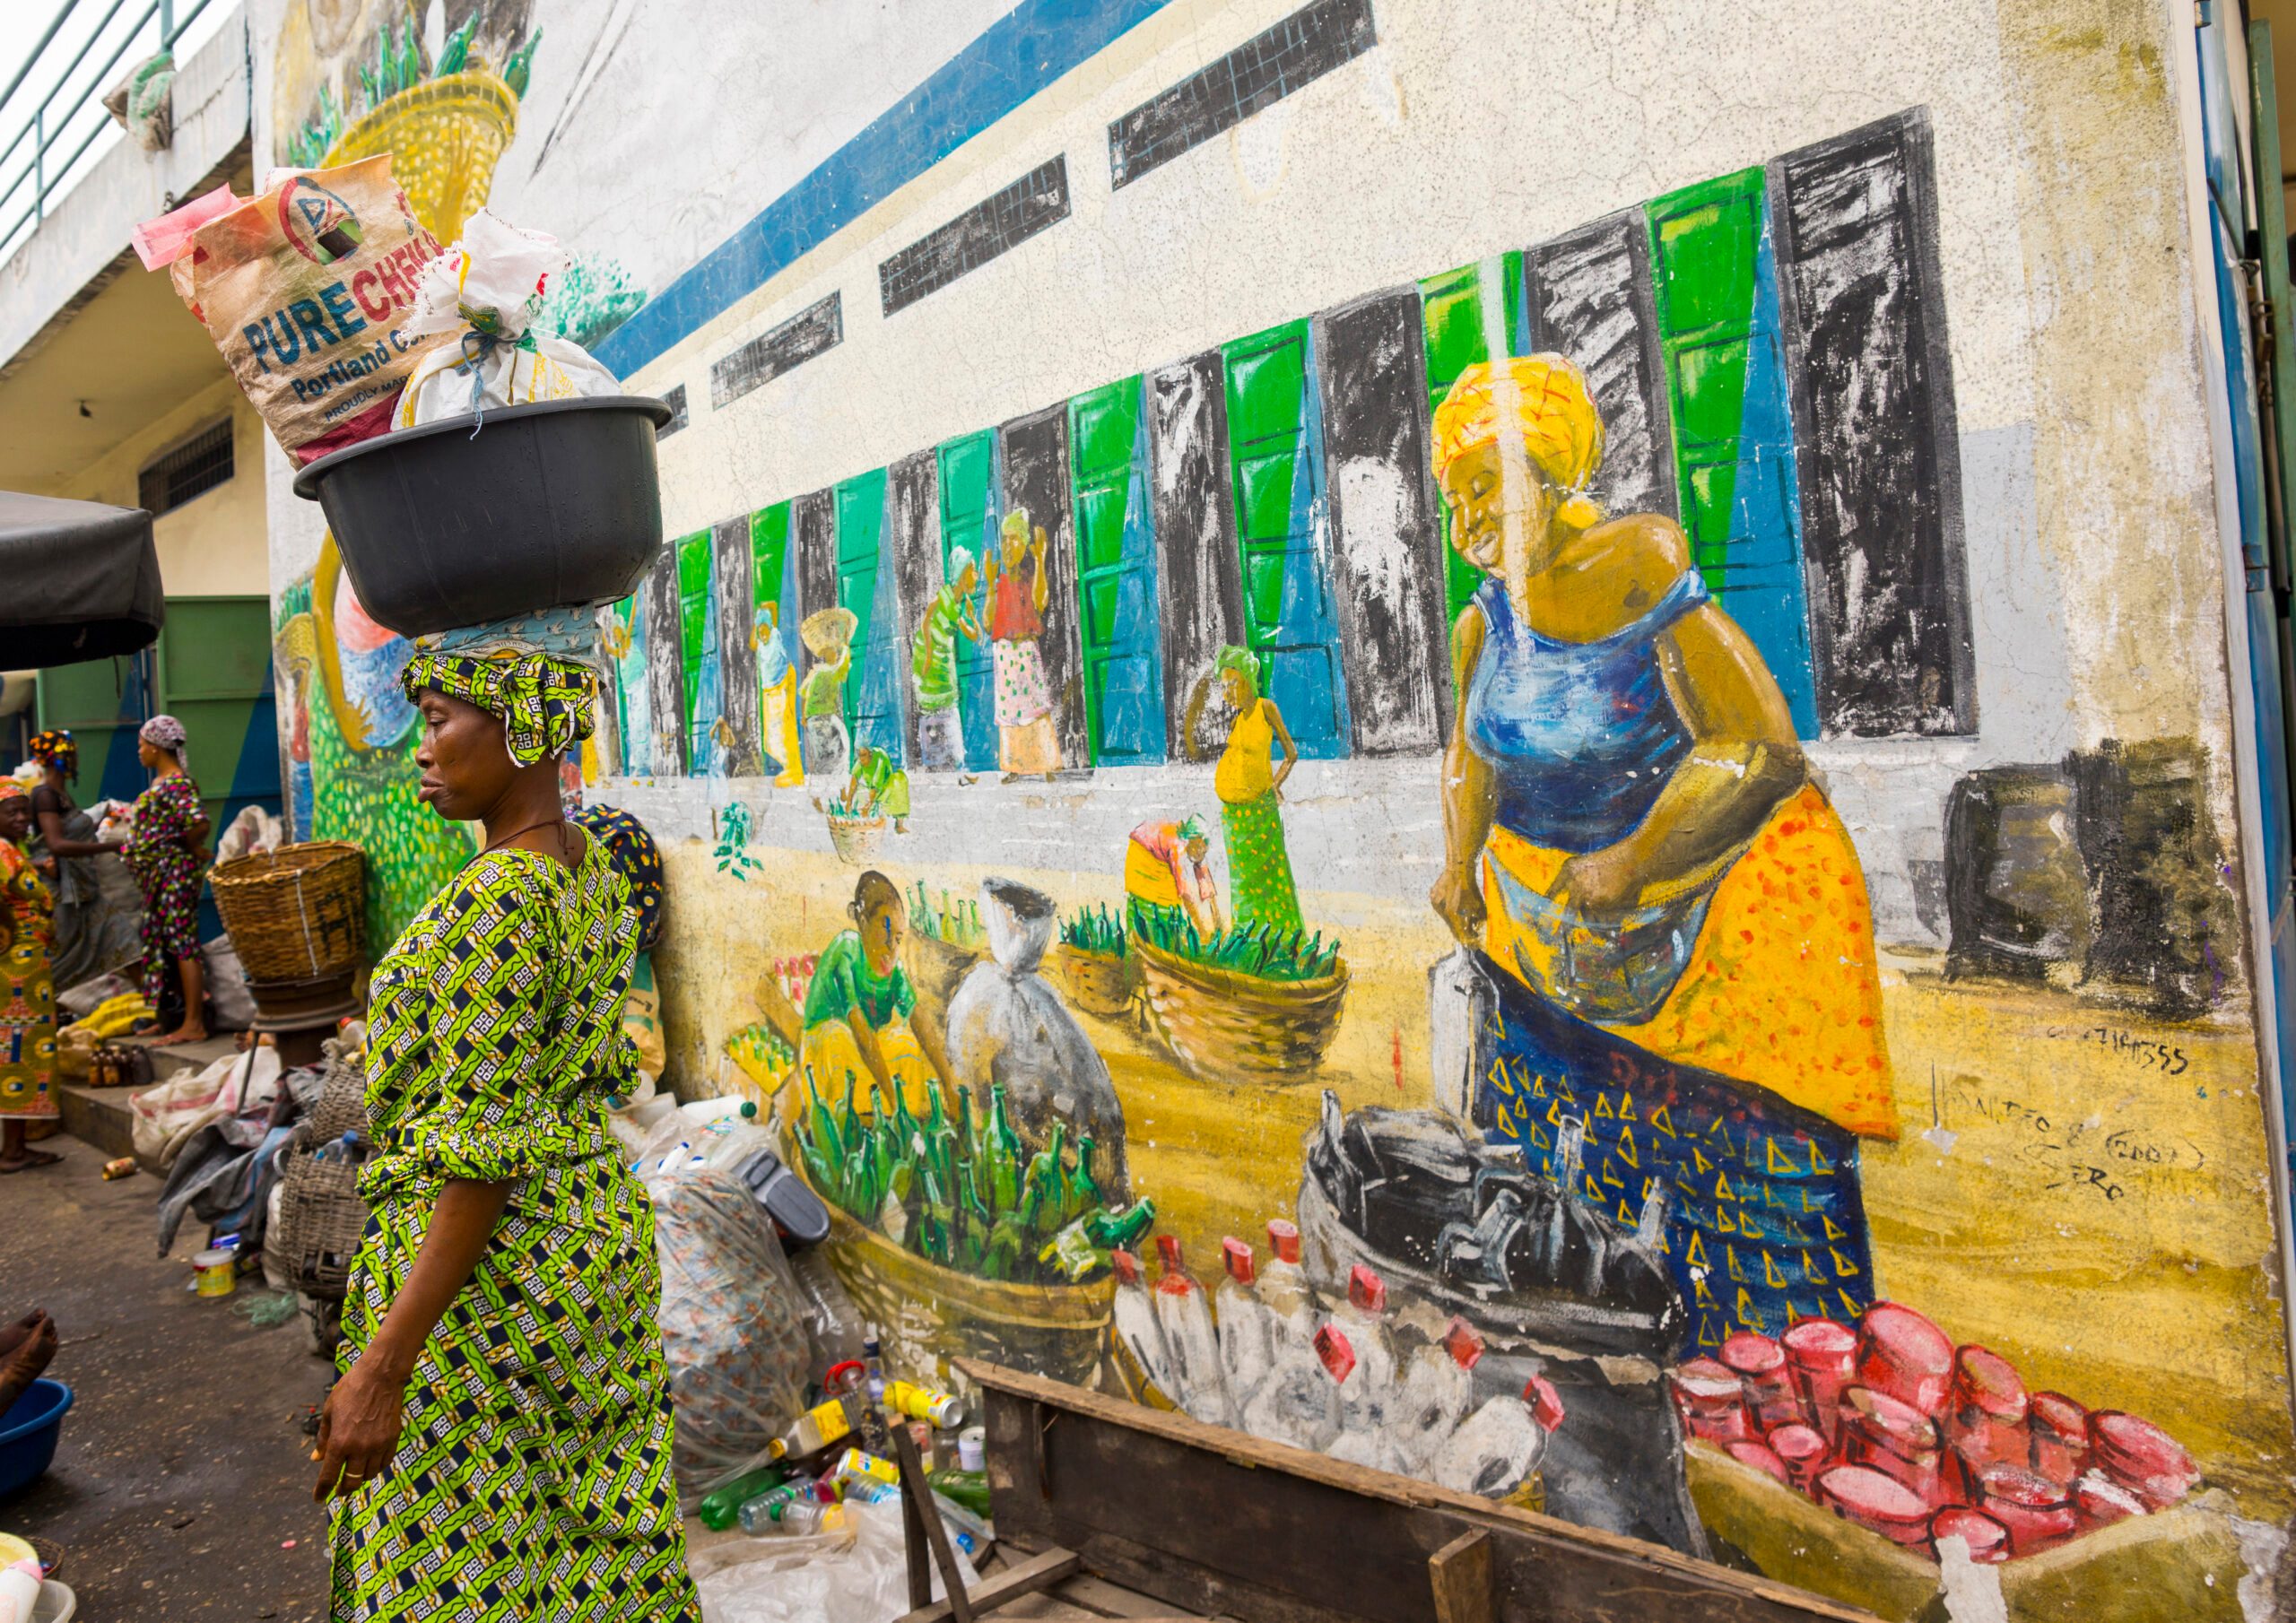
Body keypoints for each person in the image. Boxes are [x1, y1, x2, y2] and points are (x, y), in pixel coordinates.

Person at [1427, 356, 1895, 1346]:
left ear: (1551, 477)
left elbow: (1760, 747)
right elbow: (1470, 757)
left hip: (1696, 917)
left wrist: (1636, 859)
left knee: (1731, 1201)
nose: (1466, 517)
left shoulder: (1637, 566)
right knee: (1564, 1187)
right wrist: (1458, 863)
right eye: (1454, 494)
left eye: (1487, 485)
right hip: (1561, 935)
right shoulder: (1483, 624)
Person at [313, 613, 697, 1621]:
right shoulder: (593, 873)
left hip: (490, 1287)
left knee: (456, 1566)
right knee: (588, 1543)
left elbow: (481, 1156)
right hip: (590, 1254)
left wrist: (382, 1369)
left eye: (439, 721)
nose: (423, 751)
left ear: (523, 732)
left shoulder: (495, 902)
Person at [798, 870, 958, 1119]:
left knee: (906, 1045)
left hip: (865, 1053)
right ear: (862, 924)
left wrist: (949, 1086)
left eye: (897, 938)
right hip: (827, 1051)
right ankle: (846, 1123)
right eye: (884, 935)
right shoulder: (846, 951)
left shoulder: (894, 971)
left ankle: (904, 1127)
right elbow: (860, 1032)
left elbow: (919, 1020)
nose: (891, 948)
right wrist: (895, 1102)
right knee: (836, 1038)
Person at [1188, 645, 1303, 933]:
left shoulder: (1266, 708)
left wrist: (1274, 785)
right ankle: (1250, 942)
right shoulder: (1238, 719)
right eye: (1224, 687)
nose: (1228, 694)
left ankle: (1279, 941)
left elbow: (1291, 754)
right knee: (1243, 887)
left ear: (1248, 679)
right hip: (1235, 821)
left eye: (1233, 685)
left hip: (1259, 815)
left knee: (1270, 884)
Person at [25, 729, 142, 992]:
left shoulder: (62, 796)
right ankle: (31, 1005)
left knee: (127, 943)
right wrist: (115, 845)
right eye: (74, 753)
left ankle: (158, 1011)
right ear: (61, 757)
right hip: (63, 895)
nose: (77, 759)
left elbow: (72, 832)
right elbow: (56, 844)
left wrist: (104, 823)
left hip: (85, 892)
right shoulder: (45, 796)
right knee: (61, 959)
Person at [121, 715, 209, 1046]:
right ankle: (169, 1018)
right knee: (162, 944)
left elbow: (198, 822)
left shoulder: (177, 784)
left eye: (142, 745)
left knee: (183, 943)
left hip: (174, 874)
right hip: (160, 877)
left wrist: (189, 847)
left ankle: (194, 1022)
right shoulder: (162, 783)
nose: (140, 751)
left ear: (157, 748)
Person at [0, 785, 60, 1174]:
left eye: (25, 811)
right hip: (18, 968)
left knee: (12, 1054)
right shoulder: (3, 851)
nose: (23, 818)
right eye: (12, 812)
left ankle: (15, 1147)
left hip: (22, 962)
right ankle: (14, 1152)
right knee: (19, 1055)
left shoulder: (12, 851)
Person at [985, 511, 1062, 780]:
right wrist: (989, 586)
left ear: (1025, 543)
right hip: (1005, 654)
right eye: (1005, 540)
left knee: (1034, 706)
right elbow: (987, 622)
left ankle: (1045, 762)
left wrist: (1040, 560)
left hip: (1026, 650)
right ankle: (1015, 766)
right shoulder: (998, 582)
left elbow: (1040, 602)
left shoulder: (1029, 578)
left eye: (1015, 539)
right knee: (1009, 712)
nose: (1008, 546)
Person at [912, 547, 984, 776]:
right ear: (962, 573)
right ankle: (936, 761)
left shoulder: (958, 606)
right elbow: (926, 620)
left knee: (947, 709)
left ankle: (951, 762)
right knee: (933, 713)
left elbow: (976, 636)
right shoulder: (944, 596)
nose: (977, 574)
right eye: (972, 570)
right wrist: (928, 656)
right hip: (931, 663)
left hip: (945, 667)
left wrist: (972, 616)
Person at [1124, 815, 1223, 941]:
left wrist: (1218, 923)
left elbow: (1206, 883)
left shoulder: (1193, 846)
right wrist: (1201, 930)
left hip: (1151, 849)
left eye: (1204, 850)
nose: (1201, 853)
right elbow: (1184, 893)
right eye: (1200, 848)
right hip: (1142, 854)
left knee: (1168, 904)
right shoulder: (1178, 845)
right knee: (1166, 903)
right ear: (1194, 840)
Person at [798, 606, 857, 794]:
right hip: (822, 718)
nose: (835, 654)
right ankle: (834, 791)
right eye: (833, 652)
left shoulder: (816, 671)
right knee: (837, 751)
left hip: (817, 718)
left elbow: (803, 694)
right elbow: (843, 667)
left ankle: (825, 792)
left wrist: (804, 717)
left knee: (827, 754)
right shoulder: (828, 671)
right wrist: (846, 646)